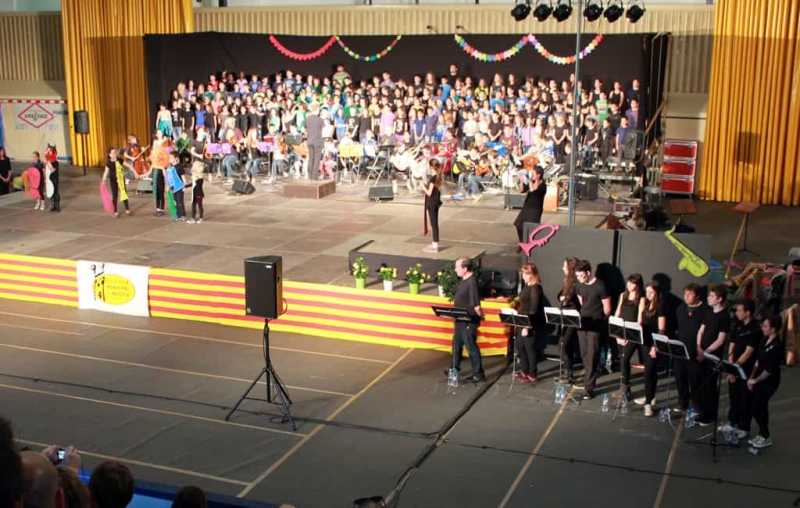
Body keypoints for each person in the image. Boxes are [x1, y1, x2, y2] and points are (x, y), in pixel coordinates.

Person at [723, 299, 761, 439]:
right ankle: (732, 422)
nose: (737, 313)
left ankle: (744, 427)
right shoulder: (736, 325)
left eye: (739, 310)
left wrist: (736, 367)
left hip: (747, 369)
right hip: (735, 367)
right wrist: (732, 367)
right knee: (734, 397)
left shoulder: (755, 330)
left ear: (748, 312)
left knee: (745, 399)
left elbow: (748, 352)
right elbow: (731, 346)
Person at [574, 260, 611, 400]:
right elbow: (581, 299)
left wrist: (601, 319)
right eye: (577, 276)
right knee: (584, 353)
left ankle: (589, 387)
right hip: (583, 322)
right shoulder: (579, 285)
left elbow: (607, 307)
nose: (579, 279)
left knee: (592, 354)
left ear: (588, 273)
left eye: (581, 275)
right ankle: (588, 378)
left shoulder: (600, 286)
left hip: (595, 324)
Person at [694, 283, 730, 426]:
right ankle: (703, 412)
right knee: (701, 383)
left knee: (710, 386)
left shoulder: (724, 316)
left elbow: (721, 340)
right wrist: (698, 348)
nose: (709, 298)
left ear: (720, 299)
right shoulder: (708, 313)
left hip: (713, 356)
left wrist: (706, 352)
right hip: (702, 352)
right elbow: (701, 331)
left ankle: (711, 415)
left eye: (712, 296)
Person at [746, 315, 783, 449]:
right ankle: (762, 433)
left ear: (773, 329)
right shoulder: (764, 339)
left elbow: (768, 371)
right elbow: (757, 361)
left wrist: (754, 380)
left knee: (758, 406)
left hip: (769, 380)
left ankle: (766, 436)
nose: (763, 328)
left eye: (766, 326)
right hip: (758, 377)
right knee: (757, 406)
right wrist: (751, 377)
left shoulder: (777, 346)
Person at [449, 256, 485, 383]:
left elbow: (476, 305)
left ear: (465, 268)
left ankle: (478, 374)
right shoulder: (464, 280)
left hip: (468, 321)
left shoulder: (472, 282)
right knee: (456, 345)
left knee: (471, 347)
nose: (455, 270)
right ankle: (454, 369)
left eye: (457, 267)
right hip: (460, 320)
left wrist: (480, 317)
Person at [634, 281, 666, 417]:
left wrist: (655, 346)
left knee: (649, 373)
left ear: (657, 293)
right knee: (649, 372)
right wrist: (641, 306)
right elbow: (640, 322)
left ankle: (648, 404)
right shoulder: (646, 303)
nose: (648, 295)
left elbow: (662, 329)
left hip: (654, 344)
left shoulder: (661, 306)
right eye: (647, 292)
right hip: (645, 342)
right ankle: (650, 397)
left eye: (651, 293)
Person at [674, 283, 707, 414]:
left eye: (690, 294)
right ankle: (683, 402)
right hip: (681, 349)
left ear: (697, 295)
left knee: (695, 380)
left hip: (695, 350)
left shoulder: (705, 310)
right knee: (680, 377)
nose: (686, 296)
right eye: (685, 293)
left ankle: (697, 405)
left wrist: (701, 349)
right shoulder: (681, 308)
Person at [614, 273, 644, 398]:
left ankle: (625, 387)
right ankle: (625, 388)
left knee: (625, 358)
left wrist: (629, 335)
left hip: (632, 333)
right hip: (621, 331)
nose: (629, 285)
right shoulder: (623, 295)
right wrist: (617, 332)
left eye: (633, 283)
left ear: (638, 285)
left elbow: (640, 319)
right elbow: (618, 312)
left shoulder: (641, 298)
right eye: (629, 282)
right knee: (622, 359)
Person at [515, 262, 544, 382]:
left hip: (530, 322)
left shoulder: (535, 288)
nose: (523, 277)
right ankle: (524, 370)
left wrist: (527, 326)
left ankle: (532, 373)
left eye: (525, 274)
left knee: (529, 348)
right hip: (523, 319)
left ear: (531, 274)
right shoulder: (527, 286)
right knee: (520, 345)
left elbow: (534, 308)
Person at [557, 257, 581, 383]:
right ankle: (567, 372)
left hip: (572, 316)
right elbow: (560, 296)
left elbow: (567, 299)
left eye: (565, 267)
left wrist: (564, 299)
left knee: (564, 344)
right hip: (564, 316)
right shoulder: (567, 281)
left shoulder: (575, 283)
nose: (562, 268)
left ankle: (568, 373)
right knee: (564, 344)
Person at [513, 166, 547, 243]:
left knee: (532, 228)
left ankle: (532, 243)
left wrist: (530, 181)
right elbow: (521, 190)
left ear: (538, 175)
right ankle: (522, 242)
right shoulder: (531, 183)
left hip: (535, 209)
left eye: (533, 174)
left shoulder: (543, 186)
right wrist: (521, 181)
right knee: (518, 225)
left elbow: (533, 191)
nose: (531, 175)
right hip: (527, 207)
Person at [102, 148, 131, 218]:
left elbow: (128, 165)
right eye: (113, 153)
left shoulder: (119, 160)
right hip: (113, 180)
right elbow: (106, 172)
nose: (115, 154)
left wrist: (134, 171)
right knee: (115, 195)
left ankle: (127, 208)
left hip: (120, 179)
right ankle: (115, 211)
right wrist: (103, 180)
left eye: (115, 152)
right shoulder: (108, 162)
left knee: (123, 192)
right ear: (109, 155)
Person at [422, 159, 443, 253]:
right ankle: (435, 242)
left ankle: (435, 245)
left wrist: (422, 186)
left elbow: (429, 192)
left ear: (431, 167)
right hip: (436, 202)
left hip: (431, 203)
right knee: (434, 224)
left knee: (433, 224)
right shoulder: (438, 177)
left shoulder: (433, 178)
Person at [165, 152, 187, 221]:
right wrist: (168, 186)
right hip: (173, 188)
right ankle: (178, 214)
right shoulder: (170, 168)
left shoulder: (179, 166)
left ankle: (183, 215)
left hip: (179, 187)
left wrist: (184, 185)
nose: (170, 159)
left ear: (176, 159)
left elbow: (183, 176)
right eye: (169, 158)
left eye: (171, 158)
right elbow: (169, 178)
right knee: (175, 201)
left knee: (180, 202)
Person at [305, 102, 324, 181]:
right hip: (318, 141)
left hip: (309, 141)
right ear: (317, 110)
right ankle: (314, 176)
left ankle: (310, 175)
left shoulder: (307, 119)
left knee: (311, 158)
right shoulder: (320, 120)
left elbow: (305, 129)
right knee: (316, 159)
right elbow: (323, 129)